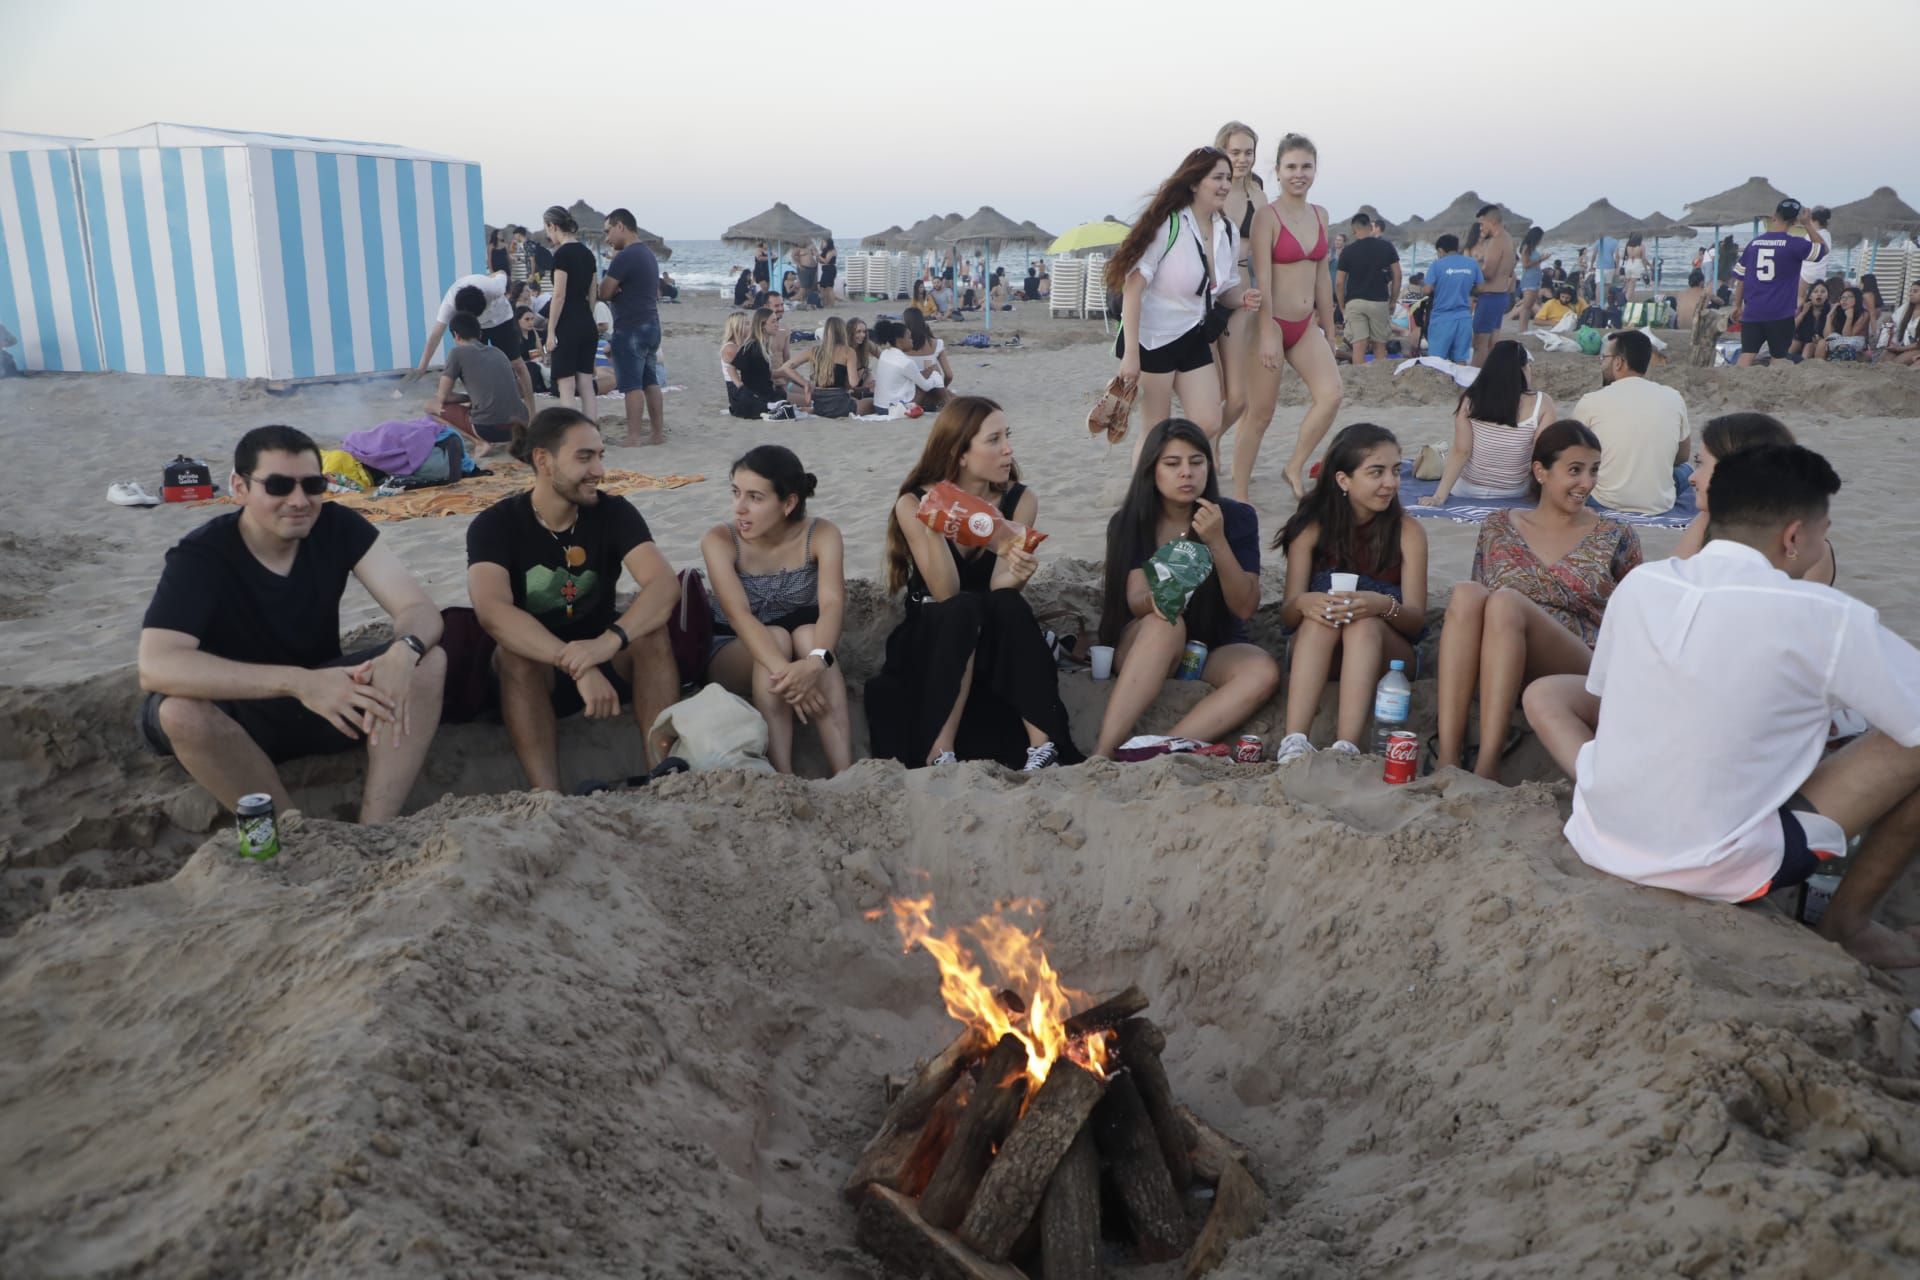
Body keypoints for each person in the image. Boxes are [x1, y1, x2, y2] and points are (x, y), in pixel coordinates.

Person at [1524, 444, 1920, 969]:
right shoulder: (1823, 615)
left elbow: (1608, 697)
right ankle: (1847, 924)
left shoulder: (1643, 584)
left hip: (1602, 836)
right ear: (1795, 536)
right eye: (1823, 533)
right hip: (1716, 866)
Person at [136, 425, 446, 823]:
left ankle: (377, 826)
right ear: (239, 487)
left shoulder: (336, 526)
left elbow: (418, 608)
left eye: (313, 485)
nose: (299, 501)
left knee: (428, 662)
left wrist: (405, 650)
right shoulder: (202, 555)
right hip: (234, 713)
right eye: (279, 486)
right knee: (178, 712)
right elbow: (156, 666)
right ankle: (293, 830)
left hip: (321, 701)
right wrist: (298, 682)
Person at [466, 408, 680, 792]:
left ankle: (663, 778)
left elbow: (663, 586)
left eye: (600, 455)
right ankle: (547, 795)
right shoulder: (495, 525)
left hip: (602, 653)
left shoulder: (613, 512)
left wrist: (605, 645)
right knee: (513, 655)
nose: (598, 469)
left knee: (652, 635)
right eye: (584, 457)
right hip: (538, 670)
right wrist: (577, 664)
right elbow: (492, 611)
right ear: (543, 461)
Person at [867, 396, 1080, 770]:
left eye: (1007, 436)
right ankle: (940, 752)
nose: (1008, 449)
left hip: (992, 641)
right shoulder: (913, 503)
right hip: (935, 635)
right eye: (994, 440)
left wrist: (1017, 573)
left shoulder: (1020, 500)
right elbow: (945, 592)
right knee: (963, 607)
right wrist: (936, 523)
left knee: (1009, 604)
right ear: (959, 453)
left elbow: (999, 588)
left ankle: (1043, 748)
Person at [1433, 422, 1641, 778]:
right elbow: (1477, 593)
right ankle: (1448, 758)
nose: (1587, 484)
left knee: (1506, 602)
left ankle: (1487, 765)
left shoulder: (1615, 535)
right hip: (1502, 652)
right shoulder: (1498, 526)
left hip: (1577, 660)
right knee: (1468, 594)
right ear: (1540, 472)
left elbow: (1637, 617)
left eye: (1593, 471)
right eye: (1574, 471)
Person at [1091, 418, 1280, 757]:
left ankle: (1165, 747)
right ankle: (1103, 752)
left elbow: (1245, 607)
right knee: (1167, 622)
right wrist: (1163, 597)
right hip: (1144, 644)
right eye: (1172, 463)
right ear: (1152, 470)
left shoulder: (1235, 518)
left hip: (1214, 644)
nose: (1187, 473)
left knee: (1262, 671)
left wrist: (1217, 542)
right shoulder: (1130, 522)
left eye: (1197, 462)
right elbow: (1135, 601)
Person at [1272, 423, 1427, 763]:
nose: (1390, 483)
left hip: (1389, 657)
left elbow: (1416, 623)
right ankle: (1294, 741)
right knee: (1321, 617)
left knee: (1363, 623)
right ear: (1344, 480)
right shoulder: (1312, 527)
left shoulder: (1407, 531)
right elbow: (1286, 615)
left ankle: (1347, 746)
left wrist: (1382, 605)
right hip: (1318, 649)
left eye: (1395, 471)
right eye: (1376, 472)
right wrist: (1303, 602)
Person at [702, 446, 852, 775]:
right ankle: (782, 774)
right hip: (735, 651)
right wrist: (791, 677)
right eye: (736, 492)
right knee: (777, 638)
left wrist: (814, 665)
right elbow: (739, 616)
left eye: (755, 497)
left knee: (810, 636)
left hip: (804, 649)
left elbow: (832, 605)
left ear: (788, 503)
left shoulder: (821, 534)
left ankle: (846, 772)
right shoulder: (720, 539)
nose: (739, 508)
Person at [1110, 147, 1264, 466]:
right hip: (1152, 338)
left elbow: (1227, 288)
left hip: (1192, 333)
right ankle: (1145, 496)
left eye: (1228, 178)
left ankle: (1171, 465)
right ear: (1195, 183)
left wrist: (1243, 298)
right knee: (1154, 427)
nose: (1224, 185)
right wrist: (1131, 356)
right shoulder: (1168, 226)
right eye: (1216, 178)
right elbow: (1132, 289)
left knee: (1208, 421)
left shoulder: (1228, 231)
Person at [1240, 134, 1341, 503]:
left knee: (1331, 395)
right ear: (1278, 171)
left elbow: (1322, 277)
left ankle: (1294, 465)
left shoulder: (1321, 215)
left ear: (1315, 170)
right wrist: (1267, 332)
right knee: (1260, 414)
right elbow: (1261, 278)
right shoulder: (1267, 216)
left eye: (1306, 167)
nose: (1299, 174)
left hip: (1305, 326)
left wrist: (1329, 330)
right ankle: (1239, 493)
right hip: (1273, 323)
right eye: (1291, 167)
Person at [1674, 411, 1835, 585]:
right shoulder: (1706, 521)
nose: (1692, 478)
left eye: (1701, 464)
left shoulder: (1807, 546)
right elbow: (1673, 583)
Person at [1420, 339, 1558, 504]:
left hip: (1467, 488)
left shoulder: (1471, 400)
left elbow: (1461, 451)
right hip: (1514, 490)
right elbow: (1542, 453)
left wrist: (1439, 497)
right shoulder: (1542, 403)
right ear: (1522, 369)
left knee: (1441, 455)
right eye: (1528, 365)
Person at [1573, 329, 1690, 515]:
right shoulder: (1673, 397)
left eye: (1604, 358)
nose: (1602, 364)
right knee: (1687, 471)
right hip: (1660, 503)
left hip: (1605, 500)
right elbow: (1683, 456)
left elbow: (1574, 455)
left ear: (1618, 362)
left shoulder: (1591, 401)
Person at [409, 272, 535, 423]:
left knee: (517, 364)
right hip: (474, 327)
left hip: (502, 319)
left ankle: (532, 412)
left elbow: (501, 272)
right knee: (471, 365)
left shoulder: (494, 287)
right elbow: (435, 336)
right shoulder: (450, 303)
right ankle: (478, 403)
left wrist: (492, 274)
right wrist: (422, 367)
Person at [1212, 121, 1266, 459]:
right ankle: (1207, 444)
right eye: (1235, 152)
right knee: (1212, 388)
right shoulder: (1210, 189)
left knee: (1238, 395)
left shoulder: (1257, 192)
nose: (1243, 159)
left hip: (1242, 290)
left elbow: (1265, 247)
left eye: (1248, 152)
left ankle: (1210, 440)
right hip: (1207, 293)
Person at [598, 208, 666, 446]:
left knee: (632, 385)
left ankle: (633, 436)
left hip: (631, 327)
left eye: (608, 231)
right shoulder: (647, 254)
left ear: (620, 226)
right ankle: (657, 433)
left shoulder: (625, 257)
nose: (607, 238)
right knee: (650, 382)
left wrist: (613, 284)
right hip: (651, 324)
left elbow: (603, 292)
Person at [1731, 199, 1828, 365]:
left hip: (1753, 311)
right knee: (1778, 356)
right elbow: (1823, 249)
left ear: (1774, 216)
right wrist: (1808, 225)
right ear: (1795, 221)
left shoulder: (1754, 244)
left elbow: (1740, 279)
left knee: (1747, 355)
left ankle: (1733, 387)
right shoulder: (1795, 245)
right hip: (1780, 313)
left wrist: (1737, 305)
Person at [427, 313, 522, 457]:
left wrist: (468, 398)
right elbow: (517, 390)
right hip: (518, 426)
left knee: (430, 407)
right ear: (480, 333)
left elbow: (442, 398)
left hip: (488, 428)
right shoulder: (498, 352)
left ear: (456, 335)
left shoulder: (457, 353)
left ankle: (479, 442)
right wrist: (474, 398)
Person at [538, 206, 599, 410]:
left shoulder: (562, 254)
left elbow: (559, 295)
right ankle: (593, 434)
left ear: (553, 225)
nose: (547, 234)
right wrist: (587, 316)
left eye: (547, 229)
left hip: (568, 325)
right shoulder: (588, 254)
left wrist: (550, 331)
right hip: (586, 322)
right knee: (586, 384)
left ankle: (573, 438)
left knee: (566, 385)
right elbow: (593, 292)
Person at [1335, 211, 1402, 365]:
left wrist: (1342, 305)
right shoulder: (1386, 247)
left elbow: (1339, 282)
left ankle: (1359, 380)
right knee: (1380, 345)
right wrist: (1393, 301)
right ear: (1370, 227)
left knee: (1358, 346)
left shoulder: (1348, 251)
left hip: (1355, 302)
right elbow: (1397, 275)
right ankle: (1378, 381)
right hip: (1379, 301)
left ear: (1354, 230)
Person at [782, 316, 872, 416]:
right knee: (872, 403)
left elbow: (786, 367)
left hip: (820, 404)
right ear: (843, 331)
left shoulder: (814, 351)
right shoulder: (848, 352)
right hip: (840, 403)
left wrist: (805, 383)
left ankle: (810, 410)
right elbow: (853, 383)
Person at [1421, 233, 1483, 364]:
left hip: (1442, 318)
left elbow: (1427, 290)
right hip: (1464, 317)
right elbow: (1481, 288)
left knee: (1436, 361)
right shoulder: (1472, 263)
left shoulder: (1437, 265)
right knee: (1460, 359)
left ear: (1440, 250)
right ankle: (1459, 384)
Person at [1471, 205, 1516, 365]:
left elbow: (1488, 273)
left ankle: (1475, 382)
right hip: (1501, 295)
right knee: (1492, 343)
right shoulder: (1509, 239)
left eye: (1482, 224)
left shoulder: (1496, 242)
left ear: (1491, 221)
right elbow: (1511, 271)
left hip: (1490, 296)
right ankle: (1489, 377)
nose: (1481, 228)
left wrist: (1473, 267)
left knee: (1479, 344)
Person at [872, 317, 946, 411]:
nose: (912, 340)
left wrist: (930, 369)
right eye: (909, 337)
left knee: (925, 376)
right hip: (893, 409)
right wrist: (936, 378)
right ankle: (945, 403)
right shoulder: (906, 362)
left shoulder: (885, 354)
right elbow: (926, 386)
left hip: (879, 406)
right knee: (933, 377)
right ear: (900, 340)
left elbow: (915, 375)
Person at [725, 308, 786, 418]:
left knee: (783, 396)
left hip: (766, 392)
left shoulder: (764, 345)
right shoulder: (752, 346)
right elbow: (731, 368)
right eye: (773, 321)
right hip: (755, 396)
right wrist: (740, 386)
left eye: (777, 320)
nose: (777, 324)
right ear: (762, 325)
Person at [903, 307, 955, 391]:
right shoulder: (937, 344)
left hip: (910, 391)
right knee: (931, 365)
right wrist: (943, 388)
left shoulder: (901, 347)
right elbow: (949, 375)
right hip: (931, 390)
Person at [1797, 206, 1834, 306]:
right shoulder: (1827, 235)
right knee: (1815, 301)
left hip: (1808, 272)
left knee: (1800, 297)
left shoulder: (1811, 235)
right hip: (1820, 273)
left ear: (1813, 221)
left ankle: (1798, 317)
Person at [1511, 225, 1547, 327]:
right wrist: (1541, 259)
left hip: (1535, 279)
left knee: (1530, 305)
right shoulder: (1526, 247)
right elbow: (1525, 264)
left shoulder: (1532, 248)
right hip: (1529, 279)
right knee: (1526, 306)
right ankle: (1522, 329)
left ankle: (1524, 328)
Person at [1824, 286, 1869, 360]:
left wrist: (1849, 318)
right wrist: (1829, 317)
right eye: (1842, 297)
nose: (1844, 300)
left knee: (1844, 346)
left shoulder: (1864, 314)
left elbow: (1847, 336)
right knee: (1822, 344)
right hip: (1839, 343)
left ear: (1857, 299)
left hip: (1854, 345)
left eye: (1849, 297)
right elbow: (1827, 336)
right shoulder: (1838, 313)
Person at [1792, 280, 1832, 360]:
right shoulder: (1803, 309)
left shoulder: (1831, 311)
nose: (1819, 294)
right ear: (1810, 296)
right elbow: (1791, 328)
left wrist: (1829, 316)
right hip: (1803, 341)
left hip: (1822, 346)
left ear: (1827, 296)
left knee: (1817, 344)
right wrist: (1803, 313)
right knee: (1796, 342)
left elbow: (1829, 337)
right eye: (1815, 291)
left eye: (1823, 291)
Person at [1885, 281, 1920, 366]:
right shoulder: (1906, 307)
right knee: (1885, 359)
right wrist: (1890, 329)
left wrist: (1899, 349)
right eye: (1910, 291)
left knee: (1897, 363)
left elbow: (1918, 345)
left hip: (1916, 348)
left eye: (1915, 291)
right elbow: (1892, 321)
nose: (1911, 294)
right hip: (1902, 345)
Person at [1617, 232, 1651, 301]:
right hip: (1637, 264)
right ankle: (1625, 301)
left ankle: (1622, 298)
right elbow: (1643, 259)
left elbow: (1624, 256)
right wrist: (1647, 268)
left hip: (1628, 264)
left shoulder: (1628, 246)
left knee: (1627, 285)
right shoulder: (1641, 246)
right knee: (1632, 286)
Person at [819, 240, 839, 307]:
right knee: (823, 287)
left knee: (829, 288)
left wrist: (818, 256)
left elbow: (826, 261)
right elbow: (821, 248)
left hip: (830, 269)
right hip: (826, 270)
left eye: (824, 242)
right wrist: (821, 243)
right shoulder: (827, 250)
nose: (823, 244)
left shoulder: (831, 251)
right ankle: (826, 303)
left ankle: (831, 304)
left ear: (828, 243)